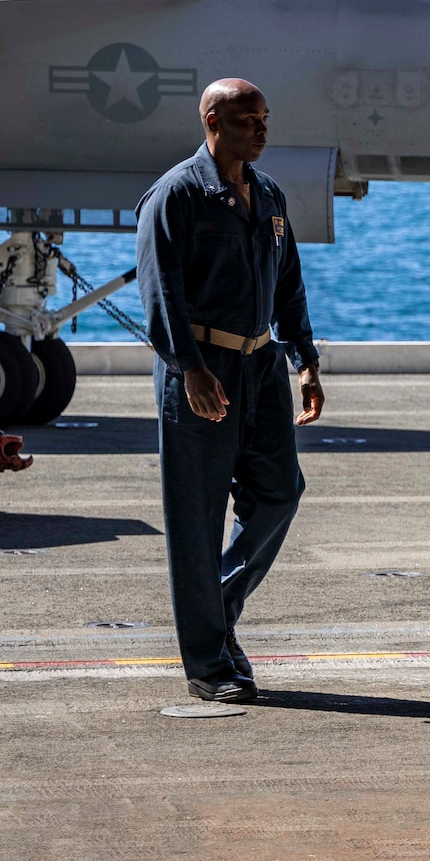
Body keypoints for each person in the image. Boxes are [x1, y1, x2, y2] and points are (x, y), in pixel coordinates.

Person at [135, 78, 325, 703]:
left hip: (261, 364)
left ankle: (215, 610)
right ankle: (208, 665)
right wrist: (189, 369)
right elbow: (160, 291)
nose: (262, 129)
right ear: (213, 121)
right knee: (196, 517)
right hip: (200, 366)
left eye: (265, 117)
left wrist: (305, 359)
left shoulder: (268, 194)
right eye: (248, 119)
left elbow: (288, 281)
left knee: (279, 493)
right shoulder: (175, 194)